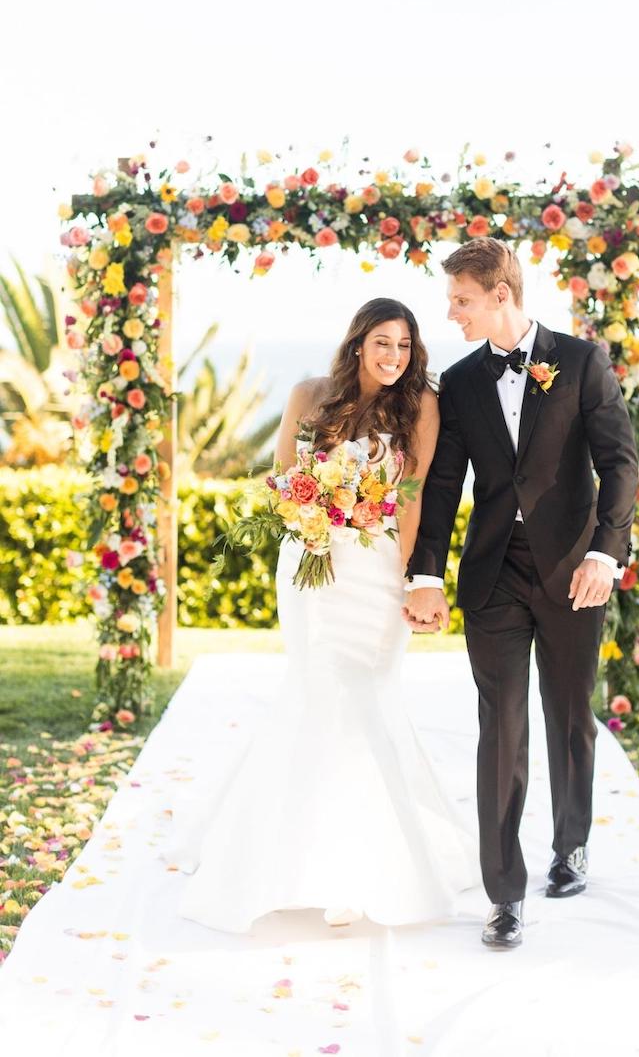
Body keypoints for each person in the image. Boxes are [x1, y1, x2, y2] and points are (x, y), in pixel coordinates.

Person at [171, 297, 479, 933]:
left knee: (369, 700)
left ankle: (366, 866)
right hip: (311, 565)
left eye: (404, 345)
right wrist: (315, 514)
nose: (394, 357)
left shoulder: (420, 404)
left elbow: (414, 494)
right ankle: (297, 860)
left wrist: (412, 577)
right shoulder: (310, 394)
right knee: (316, 696)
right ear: (358, 343)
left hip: (376, 566)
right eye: (382, 343)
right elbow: (282, 479)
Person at [404, 239, 638, 950]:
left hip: (573, 571)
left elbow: (618, 463)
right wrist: (424, 574)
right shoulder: (461, 380)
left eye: (461, 300)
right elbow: (444, 487)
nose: (450, 313)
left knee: (569, 717)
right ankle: (502, 894)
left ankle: (569, 847)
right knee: (498, 728)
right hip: (492, 575)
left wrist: (604, 552)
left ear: (500, 295)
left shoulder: (581, 361)